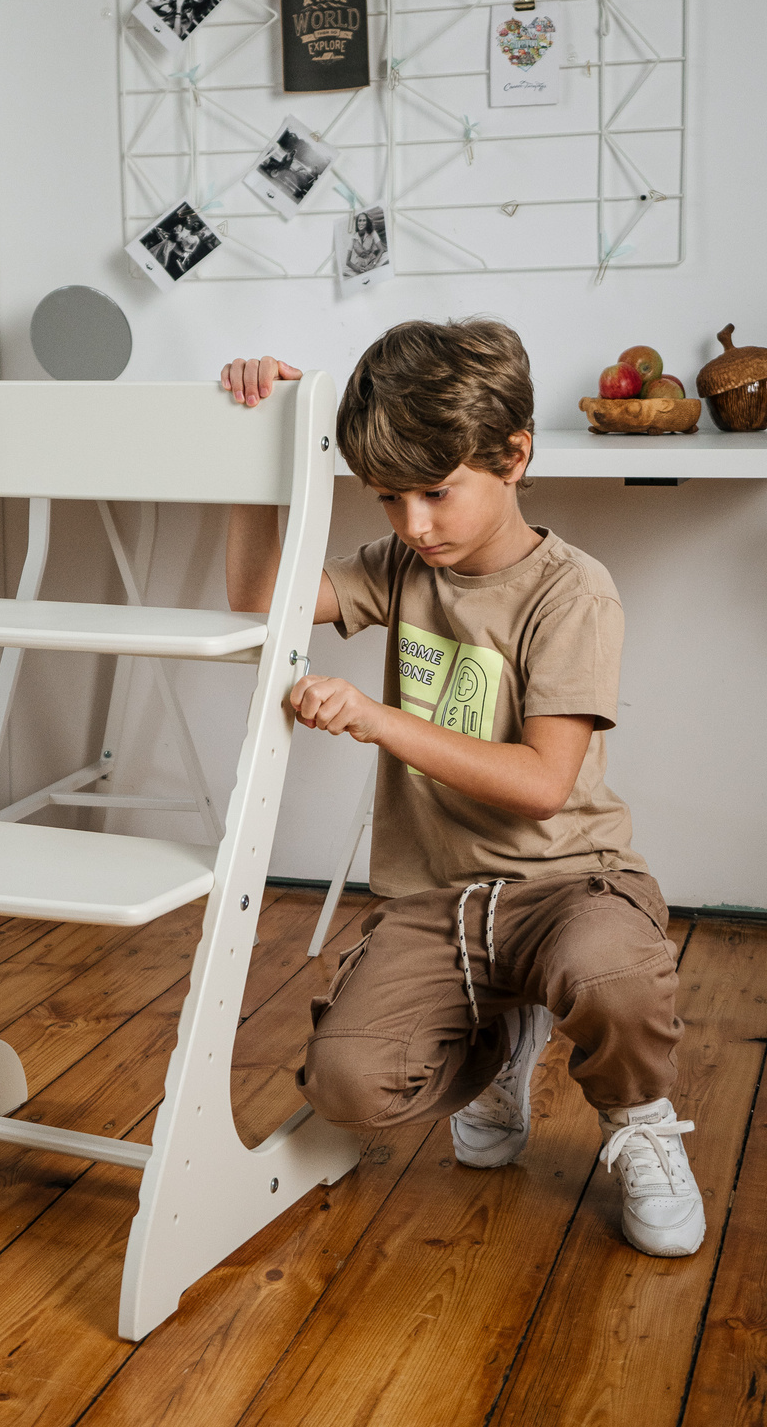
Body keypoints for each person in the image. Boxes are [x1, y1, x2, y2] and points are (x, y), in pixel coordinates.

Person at [219, 321, 704, 1260]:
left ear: (515, 455)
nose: (412, 525)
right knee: (348, 1083)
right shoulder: (400, 566)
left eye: (437, 493)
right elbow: (258, 595)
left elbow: (541, 784)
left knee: (609, 975)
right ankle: (497, 1046)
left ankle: (639, 1119)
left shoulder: (573, 593)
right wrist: (260, 439)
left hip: (569, 886)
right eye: (389, 497)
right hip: (436, 903)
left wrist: (376, 716)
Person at [344, 211, 385, 276]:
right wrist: (357, 269)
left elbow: (381, 249)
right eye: (359, 221)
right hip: (359, 265)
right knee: (344, 272)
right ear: (357, 223)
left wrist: (373, 264)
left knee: (386, 259)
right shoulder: (353, 237)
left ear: (367, 222)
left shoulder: (372, 233)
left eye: (364, 220)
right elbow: (347, 262)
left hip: (372, 261)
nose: (361, 223)